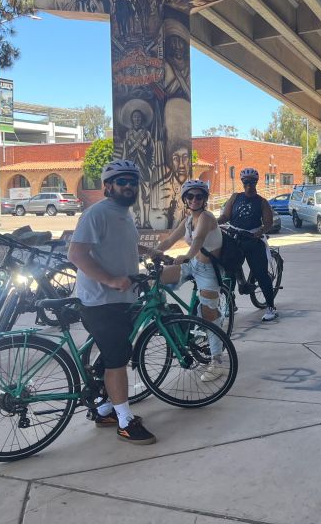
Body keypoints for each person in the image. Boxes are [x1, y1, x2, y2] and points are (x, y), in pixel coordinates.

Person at [67, 160, 156, 444]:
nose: (128, 186)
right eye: (122, 182)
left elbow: (125, 243)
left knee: (117, 352)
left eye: (132, 181)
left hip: (121, 299)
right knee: (117, 360)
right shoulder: (97, 213)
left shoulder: (124, 213)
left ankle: (106, 409)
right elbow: (77, 254)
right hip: (100, 301)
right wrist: (110, 280)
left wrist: (152, 252)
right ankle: (125, 422)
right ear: (108, 186)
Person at [153, 179, 227, 381]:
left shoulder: (207, 217)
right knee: (154, 279)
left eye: (199, 196)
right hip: (192, 265)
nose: (194, 200)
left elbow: (198, 241)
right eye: (190, 196)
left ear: (205, 199)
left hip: (208, 270)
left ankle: (217, 361)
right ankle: (168, 318)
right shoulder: (187, 219)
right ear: (185, 199)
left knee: (208, 315)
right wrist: (154, 252)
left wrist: (185, 255)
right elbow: (169, 240)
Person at [218, 167, 278, 321]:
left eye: (251, 182)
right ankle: (230, 304)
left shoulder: (262, 202)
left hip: (252, 240)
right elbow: (225, 215)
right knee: (228, 273)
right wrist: (212, 222)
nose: (248, 185)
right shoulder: (235, 197)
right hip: (234, 238)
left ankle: (271, 307)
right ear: (242, 182)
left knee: (261, 274)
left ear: (256, 182)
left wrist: (259, 232)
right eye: (245, 182)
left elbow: (268, 222)